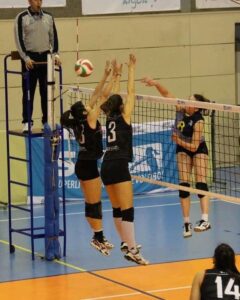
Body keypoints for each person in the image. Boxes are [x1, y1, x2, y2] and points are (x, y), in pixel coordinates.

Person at [141, 77, 211, 238]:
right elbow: (167, 94)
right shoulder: (180, 110)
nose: (186, 102)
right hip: (182, 148)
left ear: (197, 107)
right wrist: (156, 83)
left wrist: (178, 140)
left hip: (197, 148)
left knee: (200, 182)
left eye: (190, 101)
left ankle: (205, 219)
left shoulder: (199, 121)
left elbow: (194, 146)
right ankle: (186, 223)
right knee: (184, 185)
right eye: (187, 100)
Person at [60, 61, 117, 256]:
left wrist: (104, 75)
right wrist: (114, 77)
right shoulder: (90, 118)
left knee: (90, 202)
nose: (88, 104)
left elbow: (95, 96)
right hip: (89, 166)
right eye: (85, 106)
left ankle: (97, 236)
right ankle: (98, 237)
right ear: (83, 112)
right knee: (95, 203)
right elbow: (103, 97)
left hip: (82, 163)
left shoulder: (80, 121)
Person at [100, 54, 149, 265]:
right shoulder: (123, 116)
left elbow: (109, 95)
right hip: (119, 165)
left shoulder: (109, 116)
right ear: (121, 106)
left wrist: (115, 74)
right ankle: (132, 250)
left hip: (106, 164)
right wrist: (131, 69)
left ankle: (124, 242)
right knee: (127, 209)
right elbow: (130, 92)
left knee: (117, 208)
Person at [14, 0, 61, 133]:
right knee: (29, 92)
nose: (39, 2)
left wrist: (55, 55)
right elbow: (19, 39)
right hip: (30, 60)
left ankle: (46, 121)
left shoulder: (49, 17)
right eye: (36, 0)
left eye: (41, 0)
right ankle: (27, 122)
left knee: (46, 92)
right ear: (29, 1)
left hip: (45, 58)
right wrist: (26, 58)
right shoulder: (22, 17)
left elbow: (54, 37)